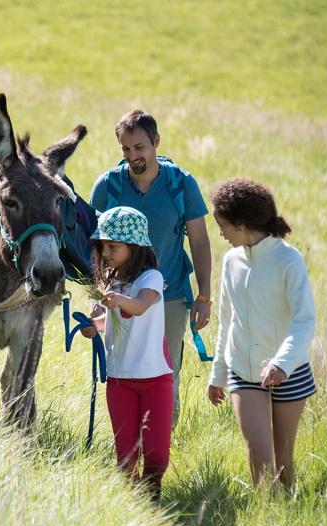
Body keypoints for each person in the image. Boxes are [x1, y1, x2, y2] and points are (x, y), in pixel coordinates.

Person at [89, 110, 212, 424]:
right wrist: (96, 296)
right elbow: (93, 248)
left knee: (166, 372)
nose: (133, 156)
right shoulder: (108, 187)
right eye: (126, 149)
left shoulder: (181, 185)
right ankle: (130, 445)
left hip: (168, 297)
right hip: (118, 295)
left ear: (156, 141)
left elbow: (199, 241)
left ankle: (160, 448)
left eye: (140, 147)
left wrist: (204, 296)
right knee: (123, 372)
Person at [207, 178, 316, 490]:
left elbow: (305, 320)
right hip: (243, 370)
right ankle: (263, 514)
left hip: (290, 371)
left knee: (283, 464)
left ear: (242, 224)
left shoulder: (289, 260)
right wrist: (218, 375)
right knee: (260, 457)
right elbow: (226, 321)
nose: (220, 233)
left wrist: (281, 363)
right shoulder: (230, 262)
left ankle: (288, 514)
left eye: (222, 224)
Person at [79, 206, 173, 501]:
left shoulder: (151, 278)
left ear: (135, 246)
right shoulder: (108, 278)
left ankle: (152, 487)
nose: (105, 252)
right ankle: (135, 505)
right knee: (126, 455)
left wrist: (116, 298)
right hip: (119, 379)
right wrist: (94, 325)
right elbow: (115, 320)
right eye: (102, 246)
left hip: (155, 378)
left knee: (157, 454)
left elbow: (140, 306)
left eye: (112, 246)